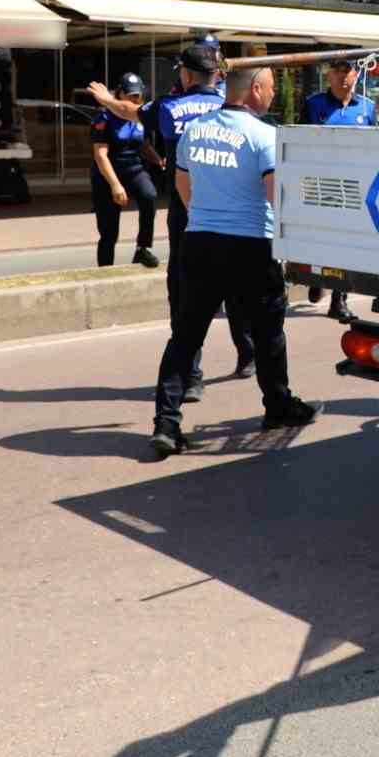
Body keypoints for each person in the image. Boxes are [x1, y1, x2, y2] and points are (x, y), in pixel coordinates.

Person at [150, 64, 316, 457]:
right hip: (251, 246)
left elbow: (183, 187)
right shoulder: (264, 136)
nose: (274, 94)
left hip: (200, 242)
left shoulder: (195, 130)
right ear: (254, 89)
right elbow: (277, 197)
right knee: (268, 332)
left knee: (186, 336)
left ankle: (166, 424)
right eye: (272, 86)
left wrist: (209, 219)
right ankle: (277, 406)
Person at [146, 36, 256, 397]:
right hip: (231, 204)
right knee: (238, 283)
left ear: (187, 72)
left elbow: (137, 114)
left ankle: (190, 376)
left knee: (187, 291)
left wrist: (106, 102)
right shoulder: (232, 104)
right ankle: (249, 356)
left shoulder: (170, 106)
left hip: (188, 209)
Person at [302, 58, 375, 320]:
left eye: (348, 71)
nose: (344, 76)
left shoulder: (367, 107)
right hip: (321, 184)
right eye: (338, 71)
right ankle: (316, 277)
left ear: (355, 75)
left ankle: (339, 300)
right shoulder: (314, 105)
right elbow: (300, 142)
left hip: (354, 187)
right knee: (319, 237)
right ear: (328, 75)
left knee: (348, 244)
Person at [84, 73, 162, 268]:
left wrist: (158, 159)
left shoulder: (138, 115)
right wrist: (115, 185)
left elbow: (143, 145)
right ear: (119, 94)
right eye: (131, 95)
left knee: (149, 196)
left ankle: (142, 249)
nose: (136, 100)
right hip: (107, 175)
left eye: (139, 95)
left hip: (133, 169)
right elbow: (100, 155)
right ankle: (105, 270)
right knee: (109, 233)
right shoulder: (104, 116)